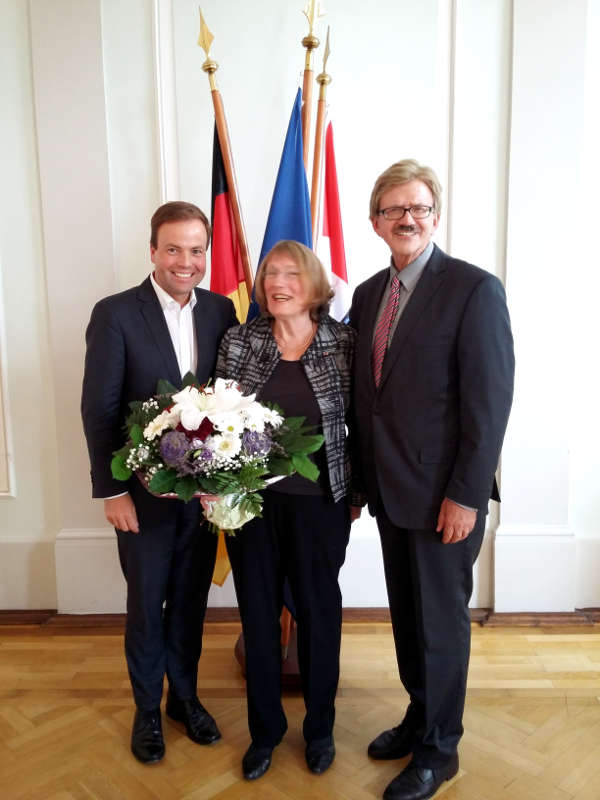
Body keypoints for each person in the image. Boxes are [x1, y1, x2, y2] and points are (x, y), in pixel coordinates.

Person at [349, 160, 514, 800]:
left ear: (435, 216)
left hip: (447, 499)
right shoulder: (366, 295)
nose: (408, 219)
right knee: (408, 621)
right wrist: (362, 484)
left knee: (441, 626)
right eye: (394, 209)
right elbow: (371, 399)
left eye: (418, 208)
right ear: (376, 222)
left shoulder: (474, 290)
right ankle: (420, 716)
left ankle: (440, 752)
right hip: (391, 495)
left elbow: (488, 403)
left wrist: (467, 496)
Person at [81, 201, 237, 764]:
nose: (186, 261)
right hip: (141, 500)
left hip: (201, 499)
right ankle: (148, 708)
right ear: (152, 251)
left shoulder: (222, 311)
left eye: (197, 250)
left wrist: (229, 479)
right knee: (148, 603)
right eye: (174, 249)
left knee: (191, 601)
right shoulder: (116, 314)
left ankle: (184, 698)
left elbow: (232, 405)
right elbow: (98, 409)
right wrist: (112, 490)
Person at [214, 240, 355, 781]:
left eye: (291, 274)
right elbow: (220, 416)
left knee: (321, 616)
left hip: (322, 506)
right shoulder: (239, 340)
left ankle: (319, 729)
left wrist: (356, 494)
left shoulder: (343, 342)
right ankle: (265, 731)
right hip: (252, 503)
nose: (278, 283)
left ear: (314, 283)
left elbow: (360, 424)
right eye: (270, 273)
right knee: (257, 613)